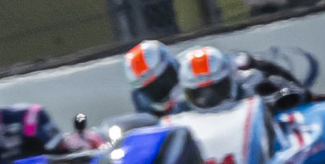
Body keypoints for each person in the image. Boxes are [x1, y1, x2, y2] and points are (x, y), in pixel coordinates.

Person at [178, 45, 313, 112]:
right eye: (199, 94)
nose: (209, 97)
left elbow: (299, 96)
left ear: (230, 77)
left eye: (217, 88)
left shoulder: (252, 81)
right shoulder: (181, 109)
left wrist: (281, 100)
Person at [124, 39, 181, 116]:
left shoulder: (190, 72)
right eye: (151, 89)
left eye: (164, 81)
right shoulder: (142, 105)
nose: (160, 91)